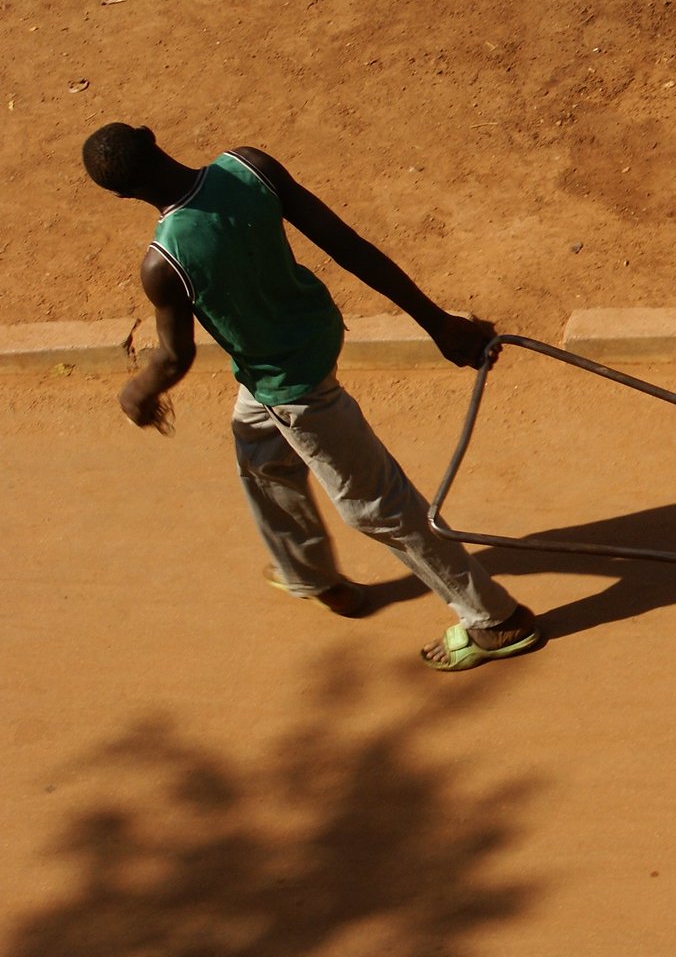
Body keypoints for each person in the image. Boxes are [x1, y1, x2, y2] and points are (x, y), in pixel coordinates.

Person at [82, 122, 541, 671]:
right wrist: (435, 321)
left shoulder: (163, 263)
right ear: (151, 137)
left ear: (121, 195)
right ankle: (309, 575)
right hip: (311, 337)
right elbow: (348, 246)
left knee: (377, 508)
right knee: (261, 457)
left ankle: (494, 619)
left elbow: (175, 357)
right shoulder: (248, 168)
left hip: (291, 388)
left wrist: (138, 392)